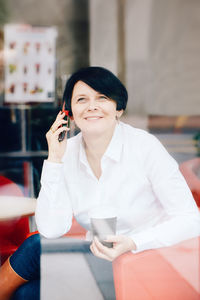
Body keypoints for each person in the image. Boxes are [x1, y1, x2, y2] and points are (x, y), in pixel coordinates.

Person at [0, 66, 200, 300]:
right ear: (69, 113)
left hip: (147, 263)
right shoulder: (68, 152)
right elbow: (53, 229)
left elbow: (191, 219)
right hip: (100, 261)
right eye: (82, 99)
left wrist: (133, 242)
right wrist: (54, 159)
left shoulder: (145, 147)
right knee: (25, 294)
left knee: (35, 247)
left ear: (118, 109)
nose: (92, 106)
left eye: (102, 98)